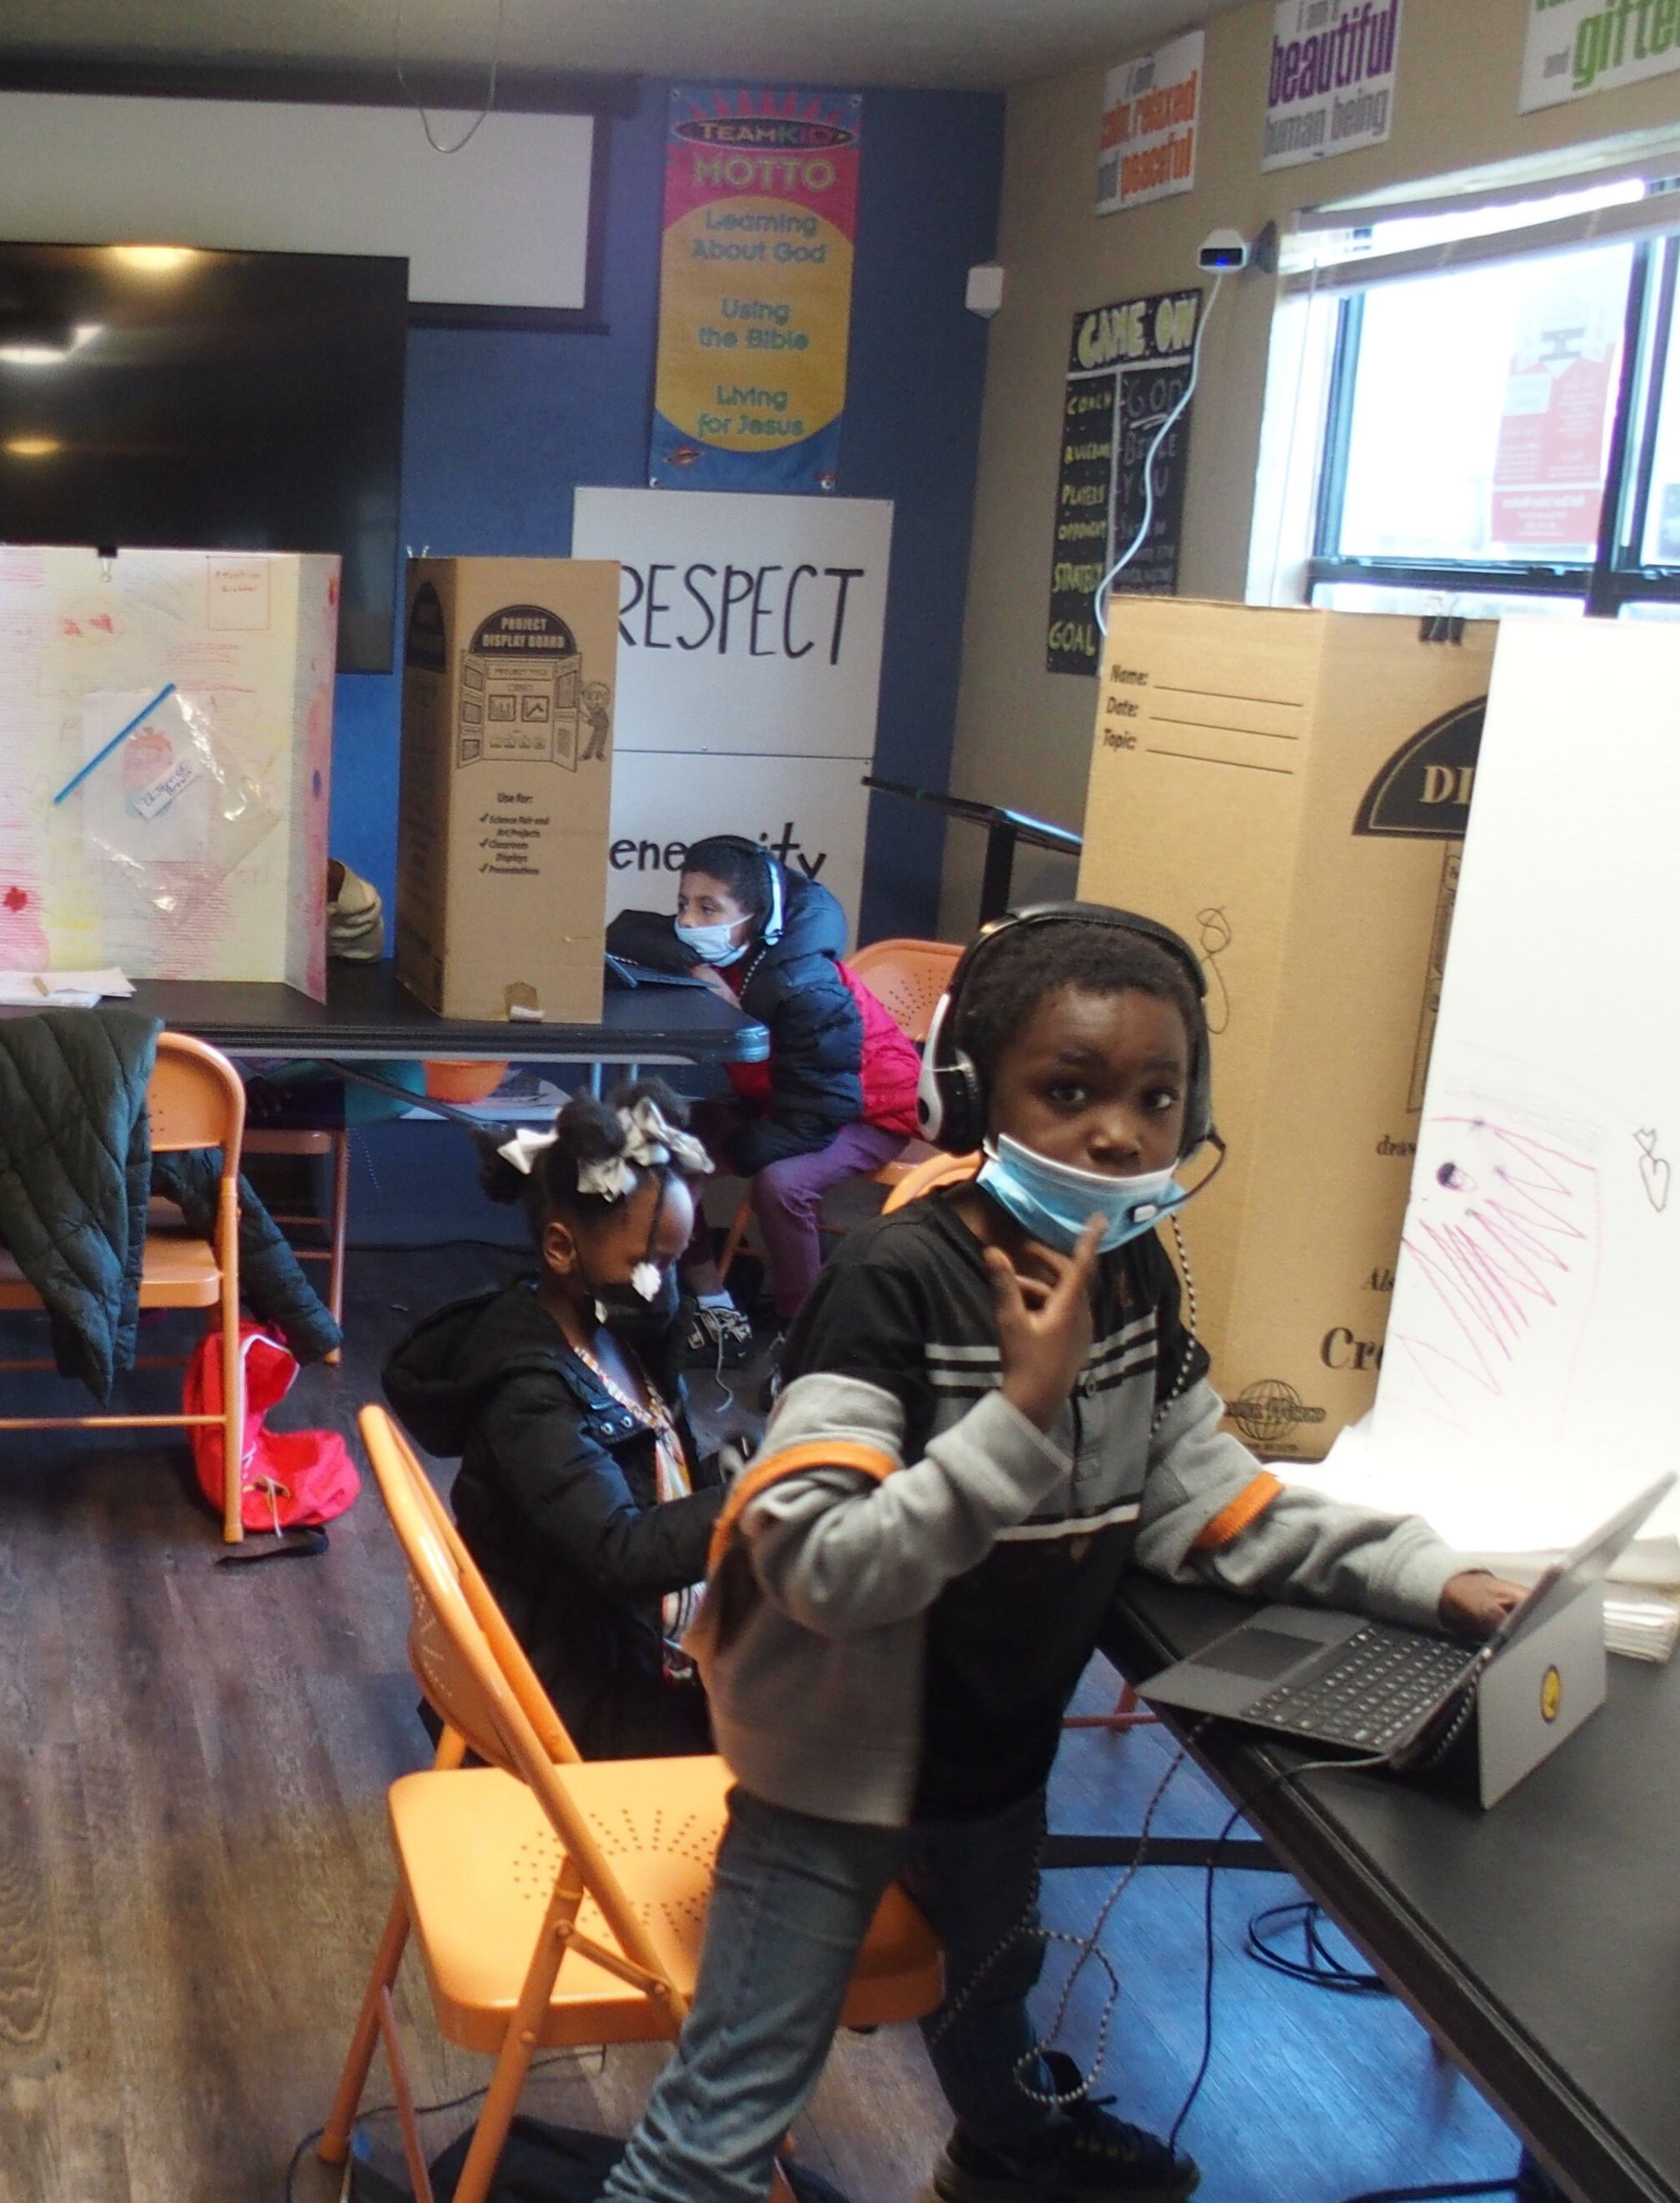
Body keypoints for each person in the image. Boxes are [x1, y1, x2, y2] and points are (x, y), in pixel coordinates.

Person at [597, 907, 1526, 2203]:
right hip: (830, 1772)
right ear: (976, 1096)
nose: (1119, 1131)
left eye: (1157, 1096)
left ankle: (1005, 2151)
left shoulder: (1132, 1276)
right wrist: (1019, 1419)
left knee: (991, 1982)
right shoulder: (897, 1286)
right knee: (734, 2103)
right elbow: (816, 1567)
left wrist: (1429, 1574)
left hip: (994, 1751)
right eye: (1070, 1089)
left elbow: (1206, 1498)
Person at [381, 1084, 725, 1760]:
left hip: (605, 1632)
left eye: (675, 1263)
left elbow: (653, 1466)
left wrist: (722, 1477)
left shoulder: (612, 1329)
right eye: (649, 1263)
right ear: (562, 1249)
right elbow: (619, 1551)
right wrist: (745, 1504)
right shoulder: (528, 1393)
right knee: (780, 1742)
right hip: (563, 1684)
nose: (665, 1287)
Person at [607, 835, 922, 1343]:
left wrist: (739, 1150)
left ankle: (806, 1330)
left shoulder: (807, 985)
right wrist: (696, 967)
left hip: (865, 1110)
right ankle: (711, 1302)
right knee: (662, 1149)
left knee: (781, 1184)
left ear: (754, 914)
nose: (689, 922)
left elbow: (822, 1109)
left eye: (709, 908)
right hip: (782, 1099)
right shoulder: (731, 951)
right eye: (684, 905)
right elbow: (628, 932)